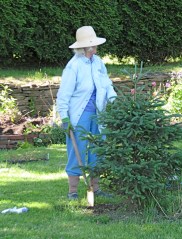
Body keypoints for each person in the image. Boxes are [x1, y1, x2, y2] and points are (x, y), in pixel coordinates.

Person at [56, 26, 117, 200]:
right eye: (92, 46)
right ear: (84, 48)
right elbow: (63, 95)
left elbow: (106, 83)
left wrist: (114, 100)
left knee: (97, 149)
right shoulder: (73, 66)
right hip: (79, 115)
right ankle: (73, 192)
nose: (95, 49)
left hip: (98, 114)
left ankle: (95, 188)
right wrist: (65, 118)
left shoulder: (97, 62)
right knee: (77, 151)